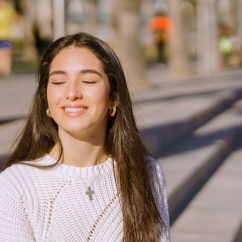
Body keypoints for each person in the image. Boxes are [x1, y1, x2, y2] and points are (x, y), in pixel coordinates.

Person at [0, 32, 170, 241]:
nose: (72, 93)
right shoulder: (15, 186)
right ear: (46, 99)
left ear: (113, 98)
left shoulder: (146, 172)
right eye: (59, 81)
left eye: (88, 81)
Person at [0, 0, 18, 76]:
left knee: (7, 53)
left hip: (6, 35)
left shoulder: (8, 10)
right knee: (1, 55)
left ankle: (6, 71)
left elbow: (15, 19)